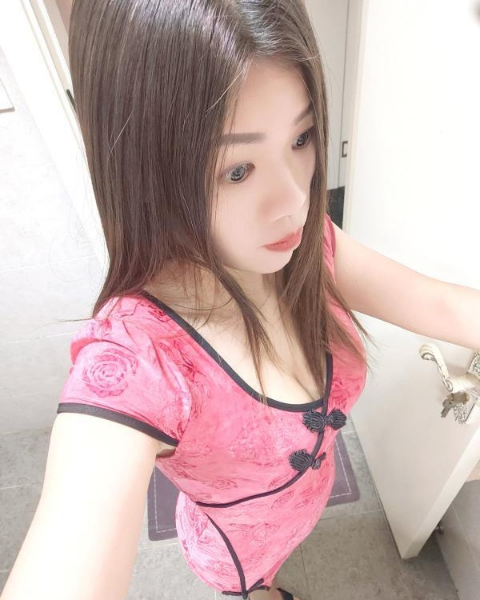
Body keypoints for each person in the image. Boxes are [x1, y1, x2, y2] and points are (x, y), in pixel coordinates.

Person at [1, 1, 377, 599]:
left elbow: (444, 306)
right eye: (237, 170)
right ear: (146, 170)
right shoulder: (138, 363)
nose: (295, 201)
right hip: (235, 550)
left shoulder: (309, 247)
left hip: (304, 508)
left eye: (302, 137)